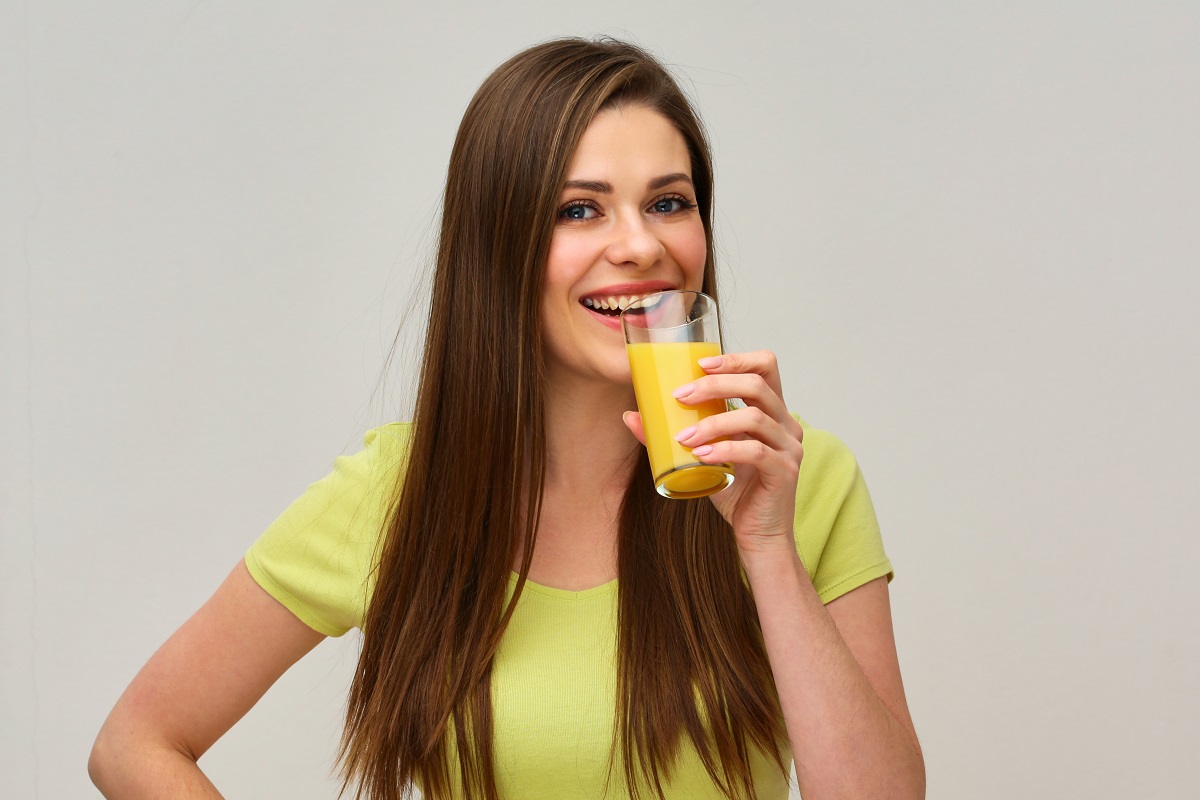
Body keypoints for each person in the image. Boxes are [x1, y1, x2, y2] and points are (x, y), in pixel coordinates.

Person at [89, 37, 924, 800]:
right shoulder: (397, 492)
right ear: (500, 245)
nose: (639, 244)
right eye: (579, 210)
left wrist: (766, 548)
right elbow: (138, 742)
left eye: (669, 202)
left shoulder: (796, 479)